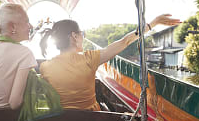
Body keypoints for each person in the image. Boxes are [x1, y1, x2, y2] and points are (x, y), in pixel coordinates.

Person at [39, 15, 181, 111]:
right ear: (74, 36)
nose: (83, 37)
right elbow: (125, 41)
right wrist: (153, 23)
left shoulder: (45, 67)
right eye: (82, 34)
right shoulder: (90, 59)